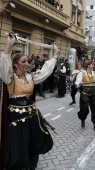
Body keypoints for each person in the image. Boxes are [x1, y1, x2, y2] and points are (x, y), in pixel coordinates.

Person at [0, 32, 59, 169]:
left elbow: (45, 72)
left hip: (32, 118)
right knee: (18, 148)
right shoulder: (10, 78)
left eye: (28, 61)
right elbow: (4, 64)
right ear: (15, 65)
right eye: (24, 61)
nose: (27, 64)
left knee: (32, 145)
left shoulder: (31, 77)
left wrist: (55, 55)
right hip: (16, 120)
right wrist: (9, 46)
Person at [75, 60, 95, 132]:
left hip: (93, 93)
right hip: (84, 93)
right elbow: (77, 83)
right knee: (84, 108)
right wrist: (80, 83)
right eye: (91, 65)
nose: (93, 66)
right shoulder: (82, 73)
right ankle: (83, 119)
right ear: (88, 65)